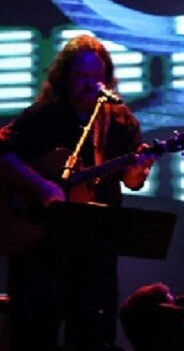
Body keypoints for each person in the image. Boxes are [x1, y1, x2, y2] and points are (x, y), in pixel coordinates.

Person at [0, 34, 154, 350]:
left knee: (92, 336)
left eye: (96, 77)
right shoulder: (45, 116)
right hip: (39, 247)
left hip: (94, 249)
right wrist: (40, 185)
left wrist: (139, 170)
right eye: (81, 77)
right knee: (32, 334)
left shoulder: (122, 122)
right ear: (65, 78)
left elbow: (133, 181)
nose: (90, 84)